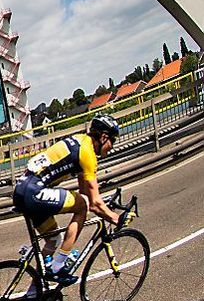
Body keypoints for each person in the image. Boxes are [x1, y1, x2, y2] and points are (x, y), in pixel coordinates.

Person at [12, 114, 125, 285]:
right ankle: (59, 266)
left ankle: (35, 290)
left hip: (22, 191)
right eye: (112, 141)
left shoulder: (79, 141)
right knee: (82, 207)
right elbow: (92, 203)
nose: (112, 147)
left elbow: (84, 191)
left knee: (53, 240)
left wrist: (104, 205)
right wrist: (118, 219)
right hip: (34, 191)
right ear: (103, 137)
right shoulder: (88, 154)